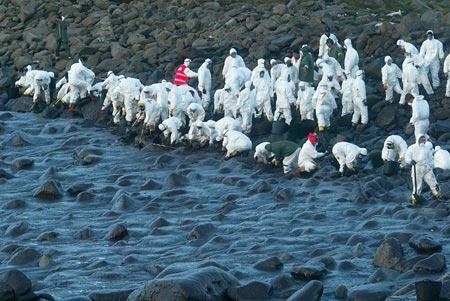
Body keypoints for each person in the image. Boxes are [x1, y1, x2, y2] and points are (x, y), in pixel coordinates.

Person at [405, 135, 442, 204]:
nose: (422, 140)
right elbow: (407, 157)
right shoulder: (412, 148)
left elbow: (430, 159)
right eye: (421, 139)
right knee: (417, 186)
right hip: (417, 168)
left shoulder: (427, 148)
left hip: (426, 168)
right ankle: (415, 199)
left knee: (433, 182)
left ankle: (438, 195)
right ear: (418, 139)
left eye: (423, 139)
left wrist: (432, 166)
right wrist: (410, 161)